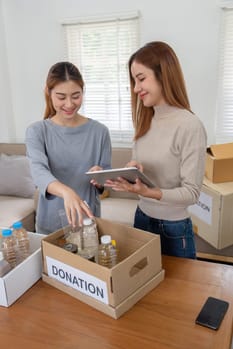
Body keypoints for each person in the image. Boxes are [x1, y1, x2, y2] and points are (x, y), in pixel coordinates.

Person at [106, 41, 207, 259]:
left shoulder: (190, 125)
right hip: (141, 218)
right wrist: (132, 171)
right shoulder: (145, 120)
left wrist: (149, 192)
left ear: (164, 75)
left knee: (180, 293)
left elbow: (191, 193)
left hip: (173, 228)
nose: (135, 88)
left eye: (141, 78)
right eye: (134, 81)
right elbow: (143, 168)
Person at [25, 61, 111, 234]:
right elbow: (39, 173)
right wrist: (66, 192)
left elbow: (105, 183)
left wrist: (100, 177)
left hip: (88, 224)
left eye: (76, 96)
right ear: (48, 93)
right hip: (50, 225)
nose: (70, 104)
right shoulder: (37, 131)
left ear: (83, 92)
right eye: (61, 97)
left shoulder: (100, 132)